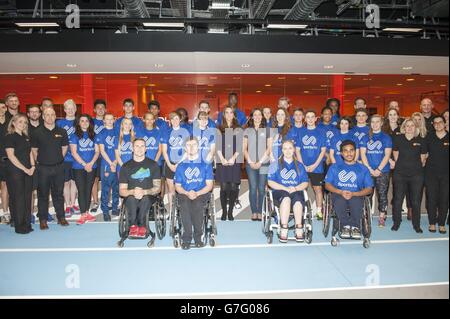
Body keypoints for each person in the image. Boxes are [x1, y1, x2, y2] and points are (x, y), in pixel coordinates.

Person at [31, 108, 70, 230]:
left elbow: (64, 148)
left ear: (55, 116)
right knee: (43, 195)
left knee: (58, 194)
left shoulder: (62, 131)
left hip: (58, 167)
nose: (50, 117)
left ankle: (61, 217)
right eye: (47, 115)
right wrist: (43, 161)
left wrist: (57, 159)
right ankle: (43, 220)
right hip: (43, 168)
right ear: (43, 116)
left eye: (52, 114)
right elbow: (34, 150)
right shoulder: (37, 132)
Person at [325, 140, 373, 238]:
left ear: (355, 152)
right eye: (345, 151)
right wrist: (340, 191)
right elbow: (327, 185)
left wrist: (354, 194)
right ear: (342, 154)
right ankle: (345, 226)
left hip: (356, 194)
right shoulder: (334, 167)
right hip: (339, 193)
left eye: (351, 150)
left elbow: (369, 189)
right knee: (339, 201)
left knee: (356, 201)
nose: (349, 153)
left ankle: (355, 227)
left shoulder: (363, 169)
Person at [175, 137, 214, 250]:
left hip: (201, 192)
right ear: (184, 148)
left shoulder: (206, 164)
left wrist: (197, 193)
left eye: (194, 145)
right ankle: (186, 237)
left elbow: (209, 185)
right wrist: (187, 193)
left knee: (197, 204)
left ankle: (198, 236)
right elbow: (177, 186)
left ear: (198, 147)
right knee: (185, 205)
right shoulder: (181, 166)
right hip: (184, 193)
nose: (191, 147)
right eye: (188, 145)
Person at [268, 140, 309, 242]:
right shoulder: (275, 165)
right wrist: (285, 188)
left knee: (298, 201)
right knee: (286, 199)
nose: (287, 151)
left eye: (290, 148)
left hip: (296, 190)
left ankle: (299, 227)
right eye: (285, 148)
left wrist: (295, 188)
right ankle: (284, 227)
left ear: (294, 150)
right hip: (280, 191)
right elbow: (270, 182)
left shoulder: (299, 165)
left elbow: (305, 183)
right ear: (282, 150)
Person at [119, 139, 161, 238]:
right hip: (131, 197)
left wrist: (144, 192)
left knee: (146, 198)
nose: (139, 149)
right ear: (132, 148)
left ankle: (142, 226)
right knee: (130, 198)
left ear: (146, 149)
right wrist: (133, 192)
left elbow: (158, 188)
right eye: (137, 146)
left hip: (149, 196)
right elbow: (122, 190)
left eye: (142, 146)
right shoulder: (125, 167)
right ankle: (132, 226)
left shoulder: (153, 165)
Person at [391, 118, 427, 233]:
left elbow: (423, 158)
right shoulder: (398, 139)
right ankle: (396, 222)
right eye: (407, 125)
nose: (410, 127)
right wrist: (402, 165)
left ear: (415, 127)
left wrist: (414, 167)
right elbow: (395, 154)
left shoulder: (421, 140)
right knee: (397, 200)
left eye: (412, 125)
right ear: (404, 128)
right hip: (400, 174)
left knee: (416, 201)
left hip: (416, 175)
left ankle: (416, 225)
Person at [360, 115, 393, 227]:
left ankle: (381, 217)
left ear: (381, 123)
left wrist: (378, 169)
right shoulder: (365, 137)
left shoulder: (386, 137)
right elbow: (363, 154)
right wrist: (369, 168)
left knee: (382, 194)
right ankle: (367, 216)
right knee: (367, 194)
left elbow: (387, 155)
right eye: (372, 122)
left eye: (377, 122)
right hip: (368, 171)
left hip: (383, 171)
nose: (375, 124)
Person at [4, 114, 35, 234]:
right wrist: (25, 169)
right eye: (20, 122)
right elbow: (11, 156)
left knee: (27, 197)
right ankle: (19, 226)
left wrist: (32, 166)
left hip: (28, 171)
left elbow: (29, 153)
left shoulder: (25, 137)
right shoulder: (10, 137)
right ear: (13, 123)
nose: (23, 124)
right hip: (15, 172)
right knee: (18, 198)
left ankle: (26, 223)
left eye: (25, 122)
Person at [296, 110, 327, 220]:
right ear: (305, 119)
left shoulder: (321, 132)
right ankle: (302, 210)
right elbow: (297, 150)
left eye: (312, 117)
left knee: (317, 189)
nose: (310, 119)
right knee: (301, 189)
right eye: (308, 117)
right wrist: (302, 165)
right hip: (302, 166)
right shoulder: (301, 132)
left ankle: (319, 211)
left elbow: (323, 151)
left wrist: (314, 165)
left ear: (316, 119)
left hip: (317, 167)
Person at [70, 114, 100, 225]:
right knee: (81, 190)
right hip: (78, 167)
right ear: (78, 123)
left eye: (86, 121)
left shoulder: (94, 135)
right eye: (82, 121)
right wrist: (84, 164)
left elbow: (97, 151)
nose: (84, 123)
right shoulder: (74, 136)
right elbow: (74, 152)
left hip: (92, 167)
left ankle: (87, 212)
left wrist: (91, 163)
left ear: (89, 123)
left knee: (88, 190)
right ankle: (82, 214)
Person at [243, 108, 272, 221]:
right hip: (250, 164)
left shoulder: (267, 130)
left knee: (261, 188)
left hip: (264, 163)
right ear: (251, 117)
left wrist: (260, 162)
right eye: (255, 115)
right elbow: (244, 149)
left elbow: (269, 148)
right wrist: (250, 161)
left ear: (262, 116)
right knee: (253, 188)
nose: (257, 116)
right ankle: (254, 212)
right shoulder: (247, 131)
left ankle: (260, 211)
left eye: (259, 114)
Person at [215, 106, 243, 221]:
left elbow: (241, 146)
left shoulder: (238, 129)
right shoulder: (218, 128)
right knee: (224, 187)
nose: (229, 114)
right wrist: (221, 158)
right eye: (226, 112)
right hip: (221, 160)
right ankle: (224, 212)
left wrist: (233, 158)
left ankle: (230, 212)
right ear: (223, 114)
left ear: (234, 115)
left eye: (231, 112)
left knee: (233, 187)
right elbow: (217, 145)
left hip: (234, 160)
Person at [161, 112, 190, 213]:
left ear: (180, 119)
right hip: (170, 164)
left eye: (177, 118)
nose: (175, 121)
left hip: (183, 164)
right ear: (170, 121)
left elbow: (188, 150)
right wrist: (170, 164)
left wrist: (178, 164)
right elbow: (164, 151)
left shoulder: (185, 131)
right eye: (172, 119)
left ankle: (183, 211)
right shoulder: (166, 132)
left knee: (182, 188)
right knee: (171, 189)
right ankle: (171, 212)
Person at [424, 116, 448, 234]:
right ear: (433, 125)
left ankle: (442, 224)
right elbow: (424, 154)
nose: (438, 125)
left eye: (440, 122)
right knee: (432, 199)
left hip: (446, 175)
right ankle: (432, 223)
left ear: (444, 123)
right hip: (431, 174)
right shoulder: (429, 137)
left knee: (444, 199)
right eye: (436, 123)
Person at [56, 99, 79, 218]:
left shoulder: (79, 122)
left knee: (74, 182)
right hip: (64, 158)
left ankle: (74, 203)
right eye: (68, 108)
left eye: (72, 108)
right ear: (64, 110)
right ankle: (68, 205)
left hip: (76, 158)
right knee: (65, 183)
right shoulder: (59, 123)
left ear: (75, 109)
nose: (70, 110)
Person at [96, 113, 119, 221]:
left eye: (111, 119)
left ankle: (115, 208)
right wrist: (111, 163)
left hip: (117, 163)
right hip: (106, 165)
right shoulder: (101, 133)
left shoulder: (118, 132)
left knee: (116, 187)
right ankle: (105, 211)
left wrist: (115, 162)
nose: (109, 121)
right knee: (106, 189)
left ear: (114, 120)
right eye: (107, 119)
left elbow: (120, 149)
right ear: (104, 121)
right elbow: (102, 150)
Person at [26, 105, 42, 224]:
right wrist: (33, 162)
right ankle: (30, 214)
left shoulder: (44, 126)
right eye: (32, 112)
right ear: (28, 114)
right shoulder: (25, 128)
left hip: (44, 163)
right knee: (30, 190)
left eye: (37, 112)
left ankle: (42, 212)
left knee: (43, 189)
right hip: (30, 163)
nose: (35, 114)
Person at [91, 99, 107, 214]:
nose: (100, 110)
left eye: (102, 108)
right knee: (95, 180)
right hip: (95, 156)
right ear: (94, 110)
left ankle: (107, 201)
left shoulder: (110, 122)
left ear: (105, 110)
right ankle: (96, 202)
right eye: (98, 108)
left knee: (108, 180)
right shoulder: (90, 123)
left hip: (107, 156)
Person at [0, 99, 10, 224]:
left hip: (8, 160)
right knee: (4, 186)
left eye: (3, 107)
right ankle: (5, 212)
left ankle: (8, 212)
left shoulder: (10, 123)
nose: (1, 109)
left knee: (7, 186)